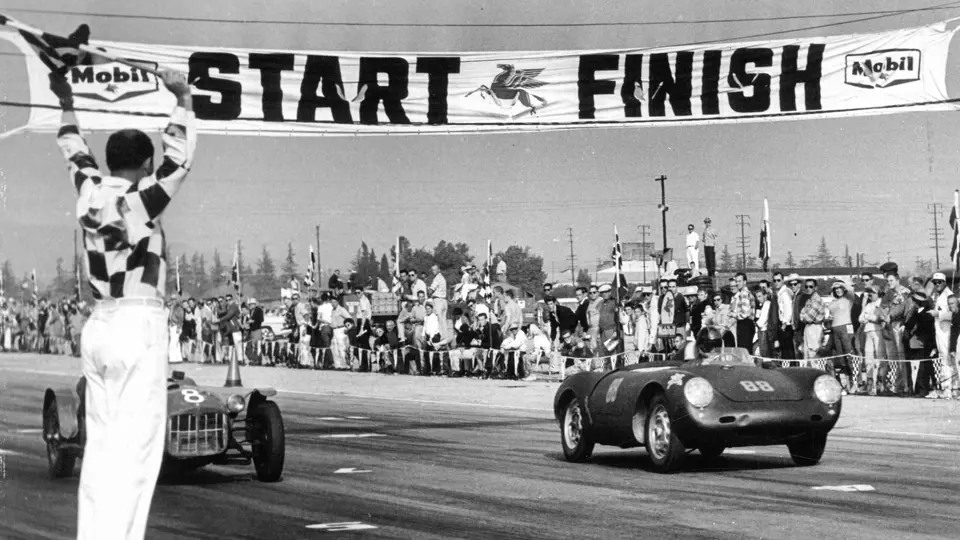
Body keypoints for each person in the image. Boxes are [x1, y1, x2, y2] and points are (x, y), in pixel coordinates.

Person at [51, 62, 195, 540]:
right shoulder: (140, 199)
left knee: (102, 453)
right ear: (145, 164)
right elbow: (180, 161)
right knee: (137, 452)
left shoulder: (91, 192)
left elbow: (74, 151)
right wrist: (183, 99)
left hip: (99, 326)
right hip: (137, 325)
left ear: (110, 162)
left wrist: (66, 104)